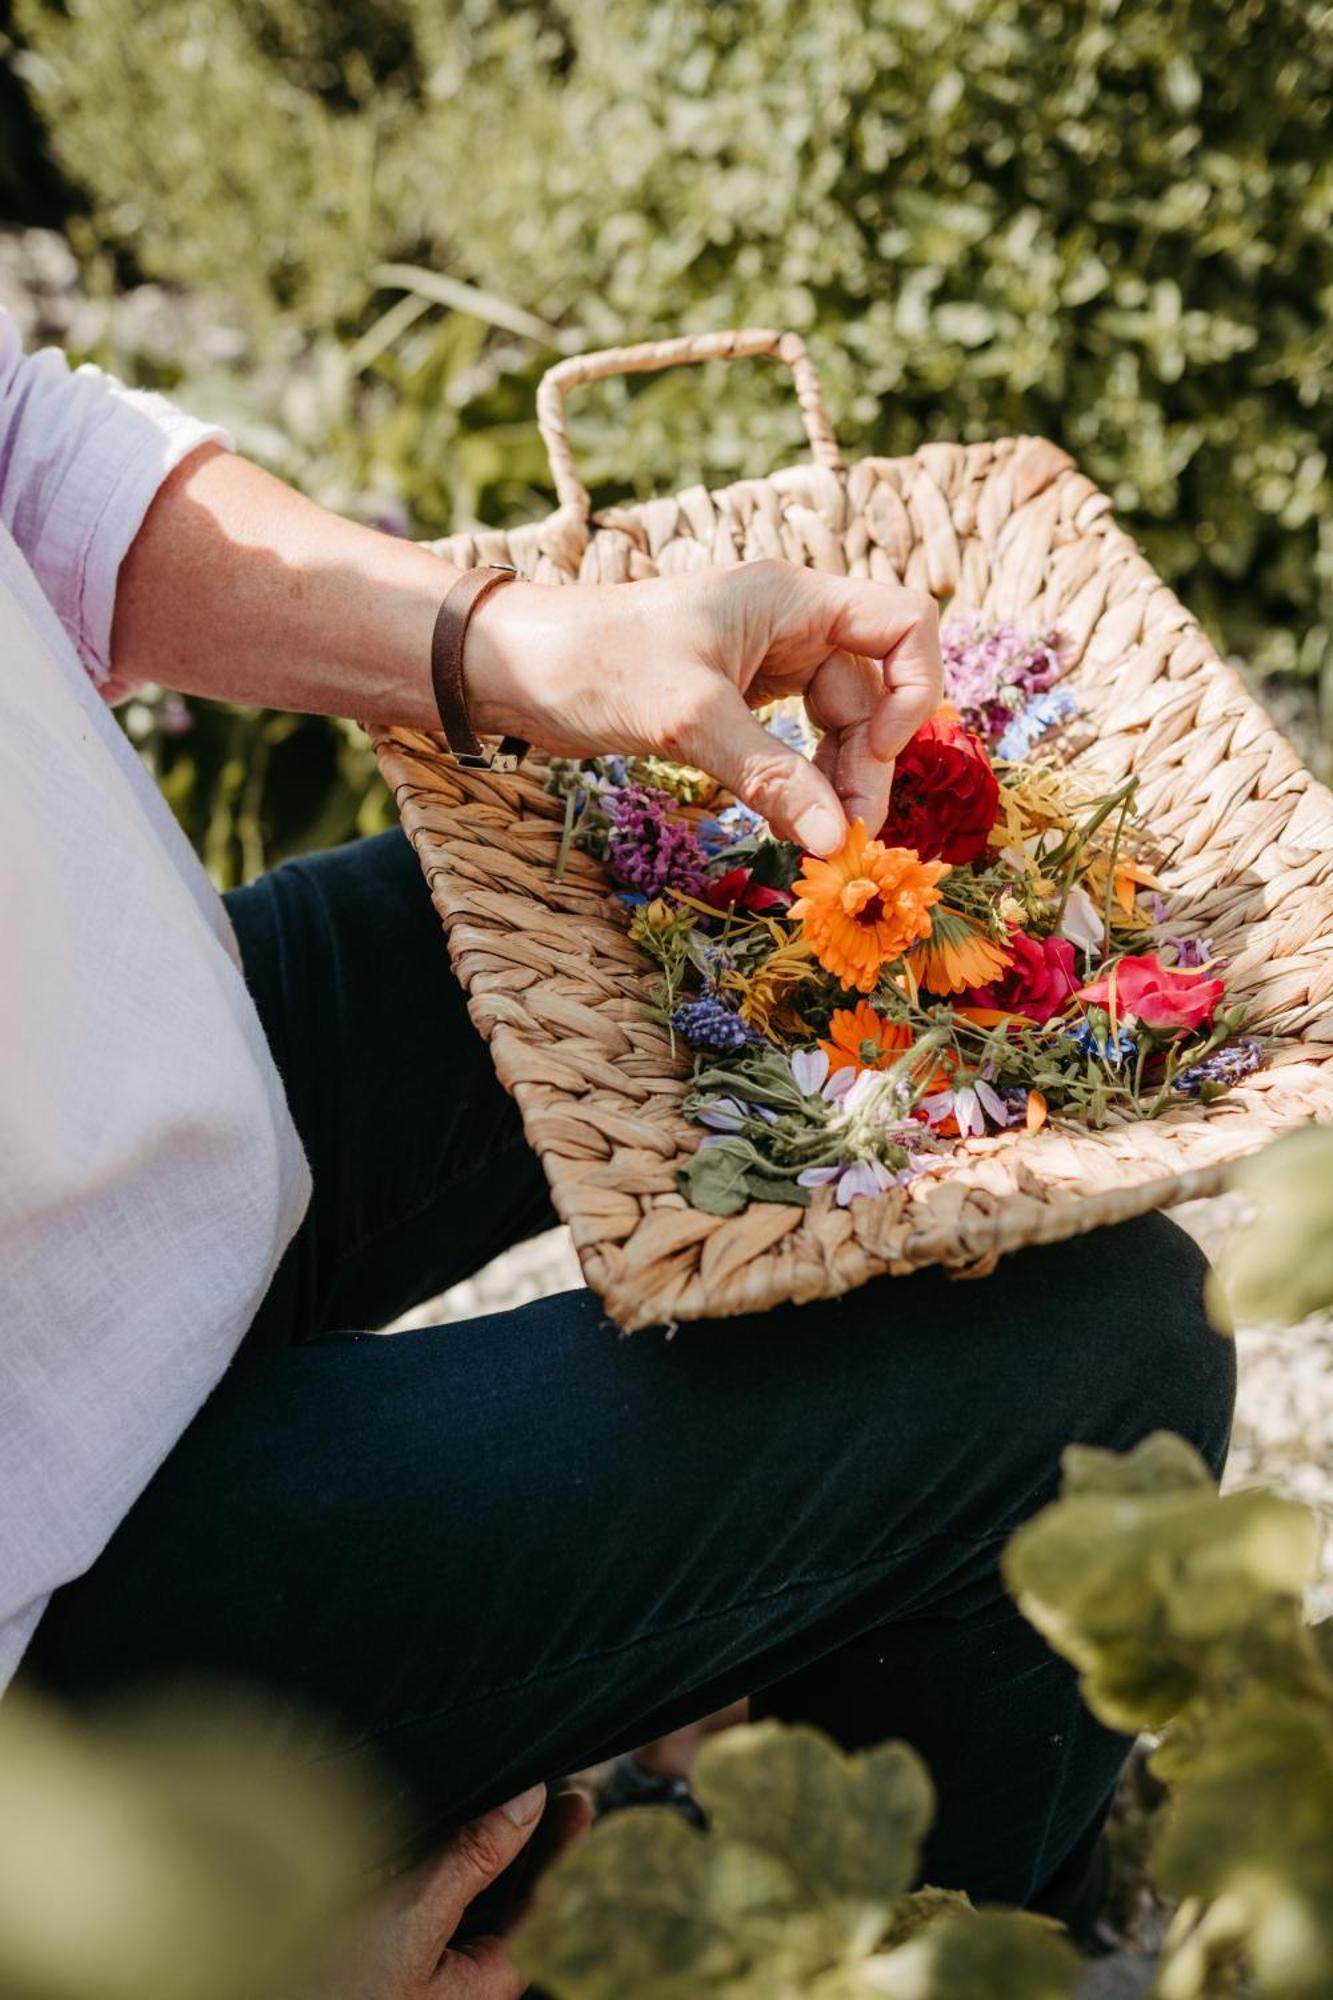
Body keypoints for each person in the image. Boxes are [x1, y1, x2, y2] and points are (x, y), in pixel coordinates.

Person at [0, 308, 1234, 1996]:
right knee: (1103, 1354)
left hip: (129, 1066)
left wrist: (514, 645)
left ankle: (897, 1760)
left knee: (656, 876)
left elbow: (20, 449)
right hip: (45, 1589)